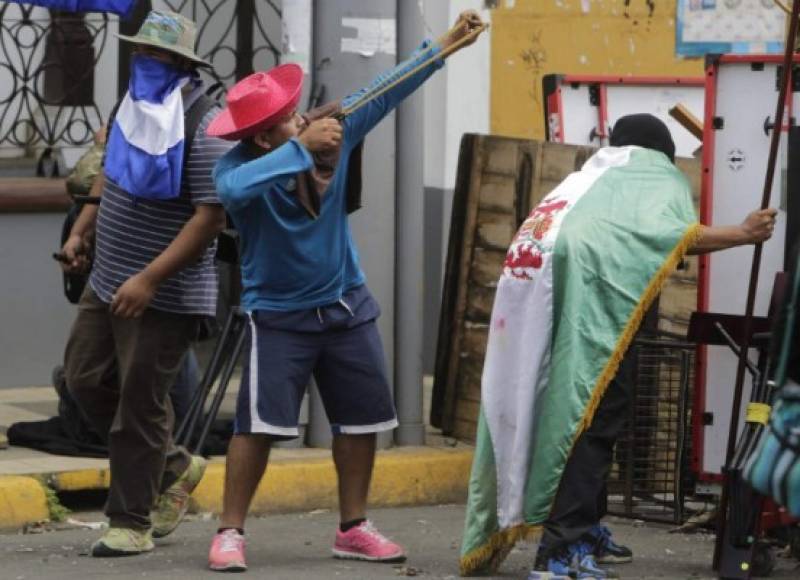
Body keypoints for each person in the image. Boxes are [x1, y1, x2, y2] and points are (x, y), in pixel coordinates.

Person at [202, 10, 486, 573]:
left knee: (361, 421)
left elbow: (385, 89)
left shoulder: (331, 136)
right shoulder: (238, 168)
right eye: (288, 117)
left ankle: (353, 527)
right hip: (277, 315)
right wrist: (299, 148)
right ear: (263, 136)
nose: (303, 116)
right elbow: (233, 190)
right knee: (257, 427)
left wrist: (448, 43)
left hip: (345, 305)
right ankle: (231, 531)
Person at [459, 114, 777, 579]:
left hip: (539, 314)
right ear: (662, 153)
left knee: (586, 418)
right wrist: (743, 233)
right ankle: (560, 553)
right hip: (591, 320)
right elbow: (669, 235)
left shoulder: (585, 181)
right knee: (586, 422)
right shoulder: (653, 175)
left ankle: (583, 529)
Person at [59, 10, 233, 556]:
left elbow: (210, 217)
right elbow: (111, 168)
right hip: (109, 273)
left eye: (154, 55)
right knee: (84, 378)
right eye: (138, 53)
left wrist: (150, 279)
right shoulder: (132, 105)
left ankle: (131, 522)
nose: (142, 62)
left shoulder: (206, 126)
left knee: (140, 401)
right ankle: (177, 465)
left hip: (164, 292)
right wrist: (82, 233)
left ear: (181, 63)